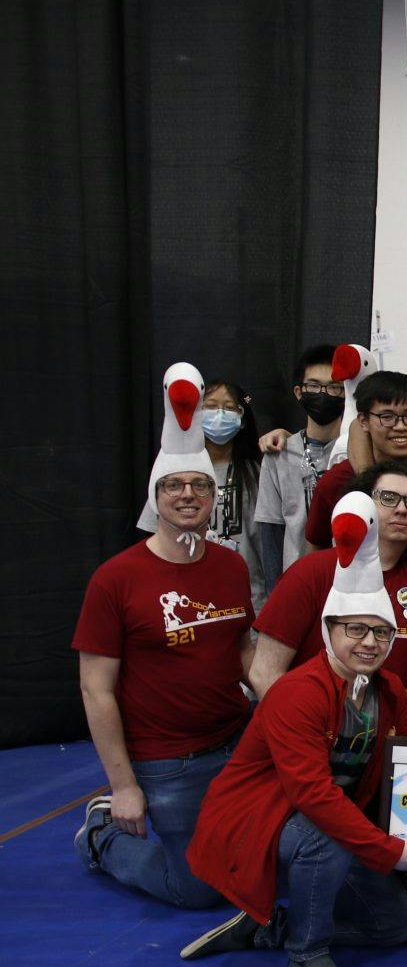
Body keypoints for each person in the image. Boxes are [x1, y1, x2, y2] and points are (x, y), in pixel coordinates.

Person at [178, 493, 407, 967]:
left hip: (325, 817)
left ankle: (270, 928)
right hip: (261, 818)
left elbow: (392, 770)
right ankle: (306, 955)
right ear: (328, 630)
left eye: (382, 634)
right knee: (324, 834)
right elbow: (313, 794)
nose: (370, 643)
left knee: (399, 925)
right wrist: (388, 850)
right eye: (356, 630)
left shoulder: (390, 690)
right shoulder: (299, 692)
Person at [74, 371, 253, 908]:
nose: (188, 495)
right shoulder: (115, 578)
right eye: (174, 486)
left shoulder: (230, 566)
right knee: (198, 890)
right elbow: (96, 690)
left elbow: (244, 650)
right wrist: (124, 787)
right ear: (156, 498)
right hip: (166, 761)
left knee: (264, 862)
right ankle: (101, 836)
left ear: (214, 494)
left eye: (200, 485)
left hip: (236, 742)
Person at [251, 462, 407, 718]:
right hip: (307, 726)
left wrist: (391, 730)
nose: (401, 509)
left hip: (387, 731)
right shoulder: (310, 571)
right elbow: (264, 672)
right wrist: (303, 730)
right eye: (388, 498)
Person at [139, 376, 267, 605]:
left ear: (242, 419)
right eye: (210, 406)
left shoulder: (257, 472)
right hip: (185, 595)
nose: (219, 414)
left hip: (248, 597)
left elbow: (269, 542)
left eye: (229, 408)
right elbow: (152, 533)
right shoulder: (176, 471)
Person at [302, 372, 407, 553]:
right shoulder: (335, 482)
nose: (401, 427)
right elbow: (316, 546)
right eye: (387, 417)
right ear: (363, 421)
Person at [253, 344, 344, 576]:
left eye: (334, 387)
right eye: (313, 385)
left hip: (347, 578)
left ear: (346, 392)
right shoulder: (278, 453)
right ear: (298, 392)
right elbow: (271, 533)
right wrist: (277, 591)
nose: (323, 393)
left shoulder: (355, 451)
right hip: (297, 578)